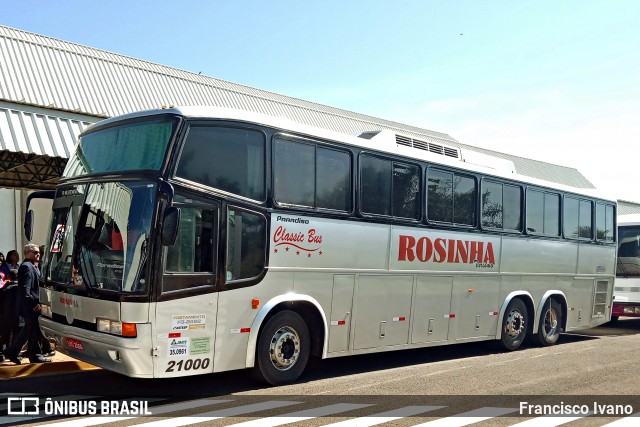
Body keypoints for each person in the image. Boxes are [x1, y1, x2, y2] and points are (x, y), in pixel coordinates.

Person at [2, 244, 53, 364]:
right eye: (35, 252)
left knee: (28, 331)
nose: (38, 254)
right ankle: (34, 355)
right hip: (31, 306)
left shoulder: (32, 266)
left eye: (38, 252)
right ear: (27, 254)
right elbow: (25, 289)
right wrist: (33, 304)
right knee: (34, 330)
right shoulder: (26, 267)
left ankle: (12, 351)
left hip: (33, 305)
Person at [0, 269, 21, 361]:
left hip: (6, 315)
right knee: (17, 334)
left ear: (8, 277)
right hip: (19, 316)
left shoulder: (4, 289)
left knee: (5, 334)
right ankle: (13, 352)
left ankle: (2, 353)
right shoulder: (21, 289)